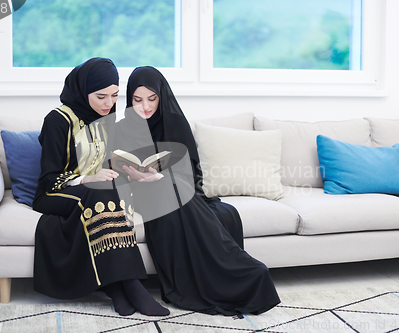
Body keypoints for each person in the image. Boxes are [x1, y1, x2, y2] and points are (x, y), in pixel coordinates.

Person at [113, 66, 281, 316]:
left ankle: (238, 273)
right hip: (143, 196)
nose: (145, 107)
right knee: (172, 192)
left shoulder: (175, 122)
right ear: (130, 99)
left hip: (177, 190)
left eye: (151, 99)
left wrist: (160, 176)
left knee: (191, 196)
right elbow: (118, 170)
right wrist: (135, 174)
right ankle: (240, 270)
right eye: (137, 100)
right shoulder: (123, 128)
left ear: (161, 96)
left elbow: (191, 175)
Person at [32, 58, 169, 317]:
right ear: (83, 92)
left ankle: (115, 286)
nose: (109, 104)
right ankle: (130, 285)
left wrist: (135, 173)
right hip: (53, 192)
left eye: (115, 96)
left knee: (114, 191)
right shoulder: (58, 120)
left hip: (94, 191)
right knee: (98, 194)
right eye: (101, 96)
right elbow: (50, 178)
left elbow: (111, 164)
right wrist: (86, 179)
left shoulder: (106, 120)